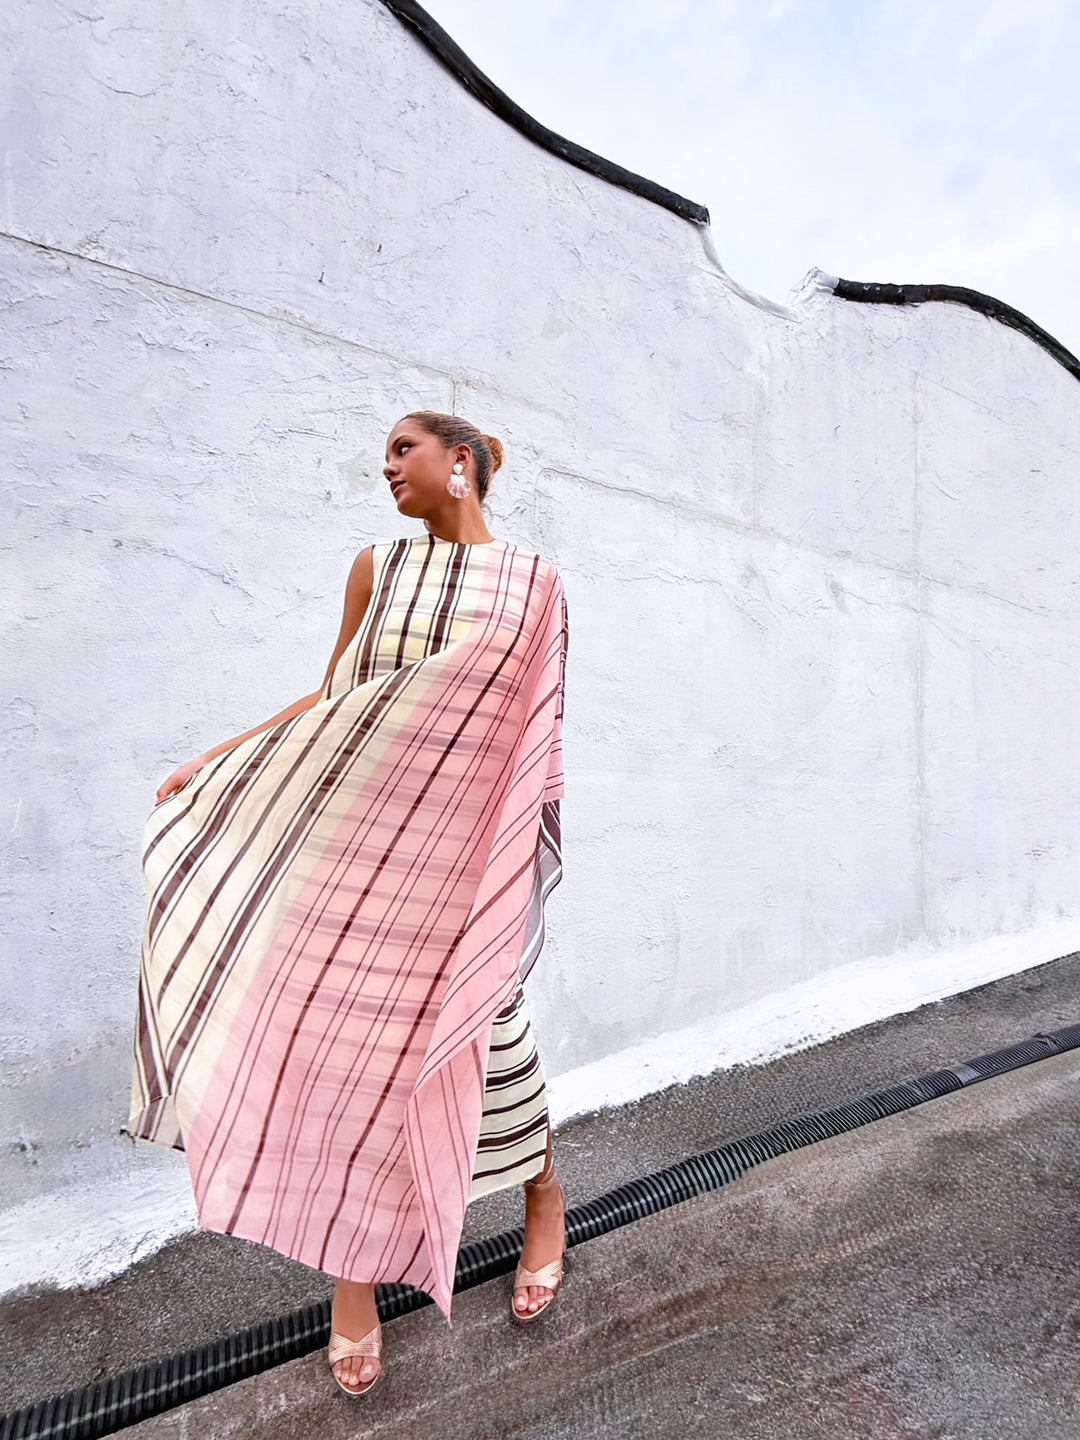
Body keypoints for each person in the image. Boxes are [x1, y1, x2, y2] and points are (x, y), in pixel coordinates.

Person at [123, 411, 570, 1397]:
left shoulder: (536, 583)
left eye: (404, 449)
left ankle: (544, 1195)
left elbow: (537, 734)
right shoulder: (377, 566)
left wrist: (504, 865)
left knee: (489, 1039)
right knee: (349, 1061)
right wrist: (218, 759)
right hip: (358, 858)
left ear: (461, 463)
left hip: (461, 864)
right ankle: (353, 1274)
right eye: (385, 454)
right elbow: (335, 699)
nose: (387, 465)